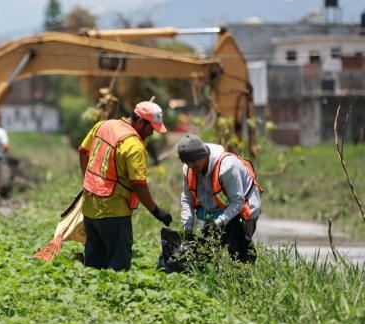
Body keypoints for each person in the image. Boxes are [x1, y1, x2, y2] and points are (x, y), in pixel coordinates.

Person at [78, 98, 173, 271]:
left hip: (90, 206)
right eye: (151, 128)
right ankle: (114, 297)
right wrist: (156, 211)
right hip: (114, 212)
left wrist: (89, 180)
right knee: (118, 265)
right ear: (140, 121)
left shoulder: (103, 126)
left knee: (93, 263)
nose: (152, 133)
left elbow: (83, 152)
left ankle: (93, 296)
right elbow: (139, 184)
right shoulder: (134, 146)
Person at [178, 134, 262, 263]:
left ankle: (241, 279)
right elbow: (187, 200)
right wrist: (188, 228)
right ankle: (213, 278)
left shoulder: (227, 167)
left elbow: (237, 202)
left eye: (194, 162)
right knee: (207, 253)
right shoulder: (189, 169)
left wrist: (218, 223)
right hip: (217, 209)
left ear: (204, 155)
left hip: (242, 208)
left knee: (240, 255)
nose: (191, 166)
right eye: (187, 163)